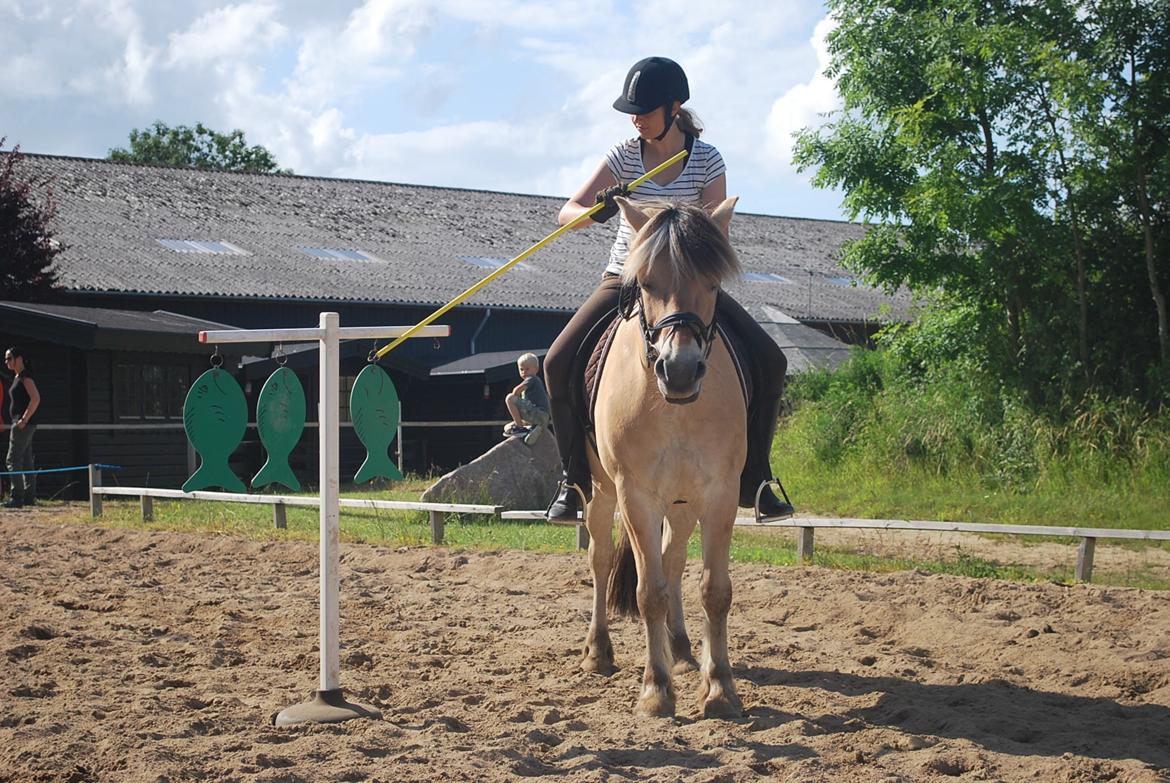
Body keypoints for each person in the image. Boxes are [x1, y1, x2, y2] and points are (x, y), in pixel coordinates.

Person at [544, 56, 794, 521]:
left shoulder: (705, 159)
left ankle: (757, 478)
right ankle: (574, 480)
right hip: (627, 277)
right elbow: (567, 211)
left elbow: (716, 236)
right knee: (557, 361)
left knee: (772, 359)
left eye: (643, 110)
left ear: (674, 107)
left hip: (691, 283)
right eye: (631, 112)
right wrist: (592, 212)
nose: (635, 118)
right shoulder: (622, 155)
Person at [3, 347, 40, 508]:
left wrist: (24, 419)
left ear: (19, 359)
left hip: (22, 425)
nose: (7, 362)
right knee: (25, 460)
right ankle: (29, 497)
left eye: (9, 358)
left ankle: (17, 497)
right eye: (5, 359)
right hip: (23, 424)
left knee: (12, 460)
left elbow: (36, 398)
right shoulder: (18, 377)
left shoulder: (25, 377)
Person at [503, 353, 550, 447]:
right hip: (541, 417)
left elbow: (516, 390)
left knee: (509, 398)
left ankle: (520, 428)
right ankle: (535, 429)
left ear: (536, 369)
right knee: (507, 427)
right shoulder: (534, 381)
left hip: (538, 413)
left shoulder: (532, 379)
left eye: (527, 369)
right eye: (521, 369)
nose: (524, 372)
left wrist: (514, 401)